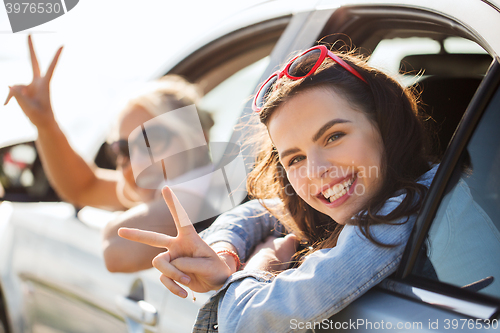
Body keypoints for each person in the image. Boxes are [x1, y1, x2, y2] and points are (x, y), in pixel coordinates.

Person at [118, 44, 438, 332]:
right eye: (295, 158)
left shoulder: (397, 214)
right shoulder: (382, 191)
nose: (316, 171)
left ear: (384, 124)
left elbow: (247, 321)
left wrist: (256, 268)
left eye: (334, 136)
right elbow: (262, 210)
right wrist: (224, 252)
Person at [4, 36, 214, 273]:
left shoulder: (204, 188)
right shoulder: (163, 185)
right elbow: (83, 187)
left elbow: (117, 248)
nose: (137, 163)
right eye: (122, 150)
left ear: (195, 138)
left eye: (151, 141)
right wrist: (45, 124)